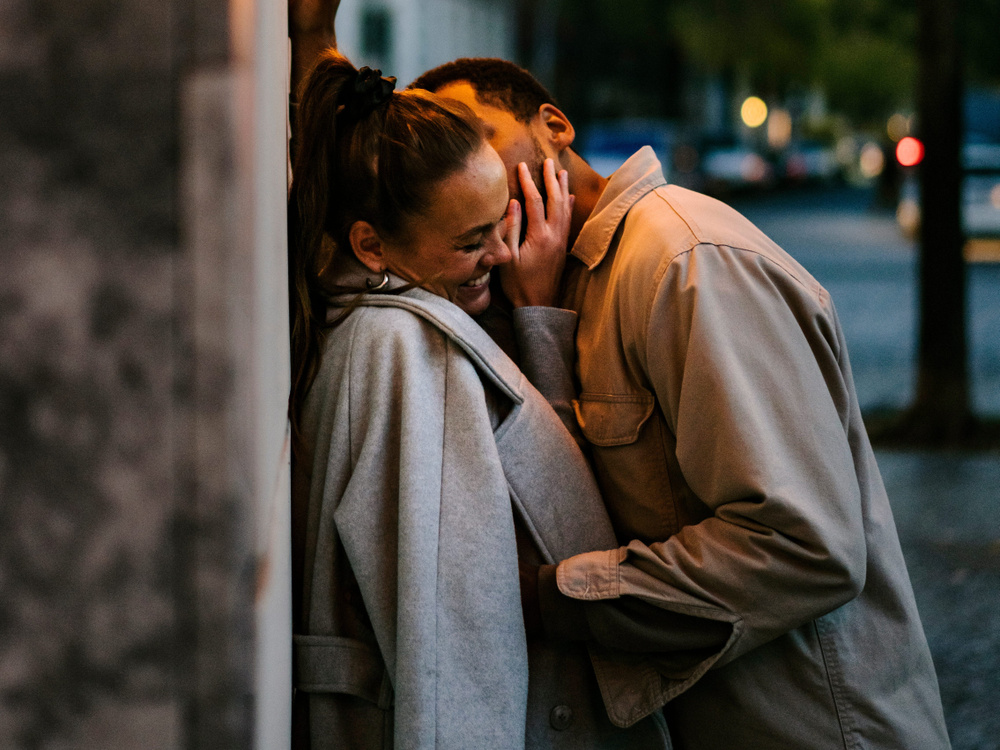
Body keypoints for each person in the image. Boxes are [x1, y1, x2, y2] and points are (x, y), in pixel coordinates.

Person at [411, 58, 952, 749]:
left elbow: (804, 544)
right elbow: (588, 510)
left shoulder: (683, 260)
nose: (467, 171)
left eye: (475, 134)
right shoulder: (550, 280)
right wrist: (538, 317)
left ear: (554, 126)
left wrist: (550, 598)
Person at [287, 48, 673, 748]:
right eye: (472, 241)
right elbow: (452, 645)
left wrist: (535, 316)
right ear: (371, 245)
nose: (503, 251)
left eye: (501, 220)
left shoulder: (390, 321)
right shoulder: (406, 352)